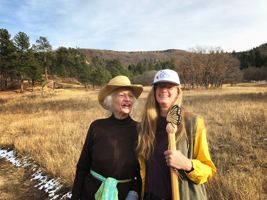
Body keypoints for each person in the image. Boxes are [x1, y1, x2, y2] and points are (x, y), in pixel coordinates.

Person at [136, 69, 216, 200]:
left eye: (169, 87)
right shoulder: (144, 126)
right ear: (154, 90)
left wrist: (187, 164)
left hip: (183, 196)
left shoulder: (193, 123)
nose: (164, 90)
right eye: (160, 86)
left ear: (177, 92)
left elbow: (208, 169)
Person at [71, 76, 143, 200]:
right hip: (91, 194)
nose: (127, 99)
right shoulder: (97, 127)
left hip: (125, 196)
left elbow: (144, 170)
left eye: (130, 96)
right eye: (122, 95)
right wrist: (75, 197)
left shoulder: (140, 130)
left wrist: (134, 193)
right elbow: (83, 166)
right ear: (110, 100)